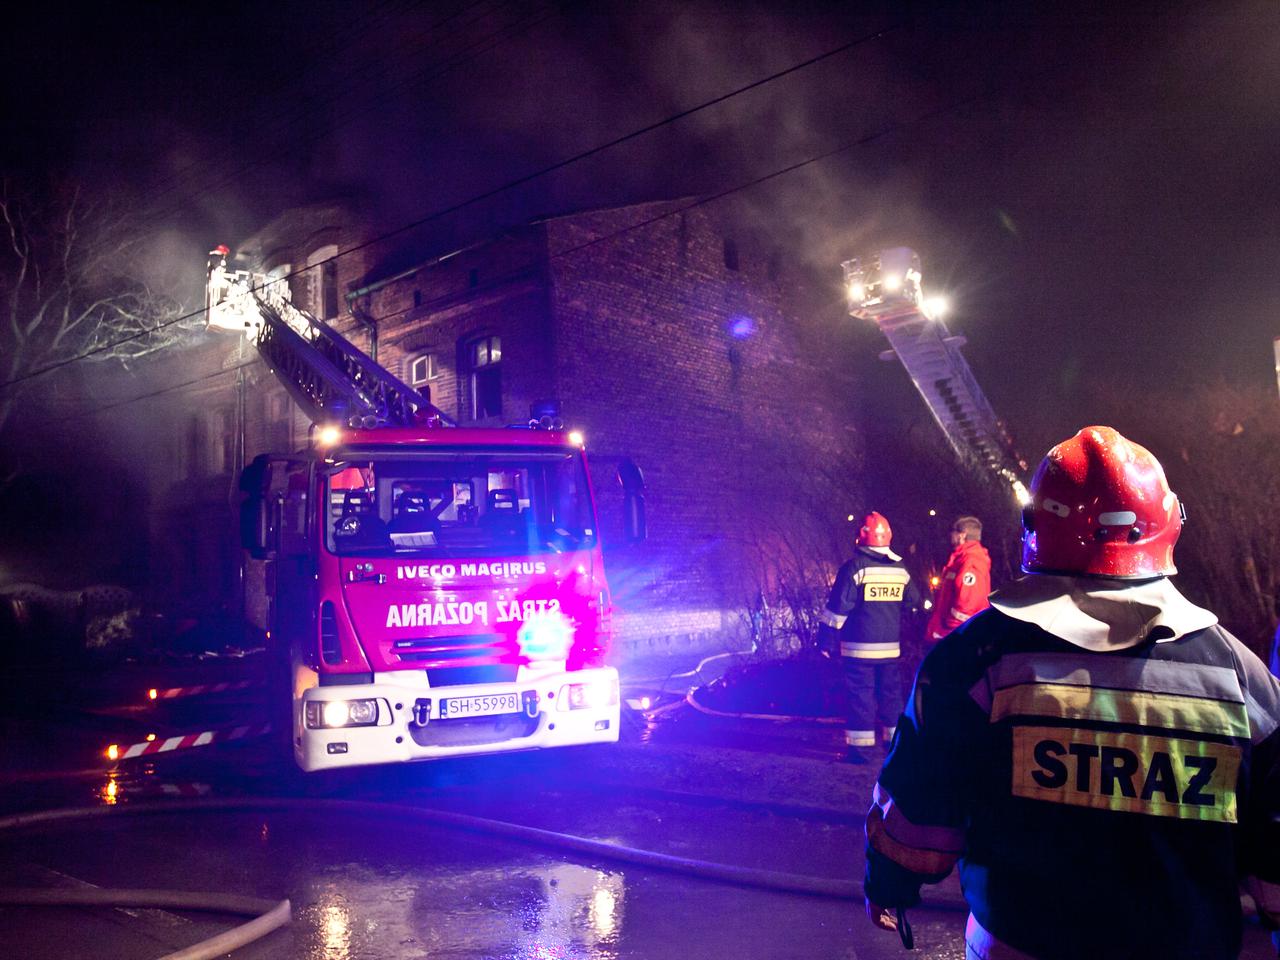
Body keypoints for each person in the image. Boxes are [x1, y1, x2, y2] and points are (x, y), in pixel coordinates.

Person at [862, 426, 1280, 960]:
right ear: (1169, 524)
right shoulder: (1240, 678)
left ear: (1036, 528)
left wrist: (888, 886)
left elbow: (919, 814)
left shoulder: (971, 663)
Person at [818, 511, 920, 764]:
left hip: (858, 650)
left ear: (860, 538)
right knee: (891, 698)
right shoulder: (900, 569)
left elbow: (838, 610)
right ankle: (895, 747)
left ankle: (861, 752)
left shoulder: (854, 568)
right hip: (889, 650)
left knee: (860, 698)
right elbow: (914, 602)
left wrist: (826, 641)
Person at [923, 514, 991, 643]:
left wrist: (952, 631)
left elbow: (967, 603)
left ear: (962, 535)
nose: (950, 535)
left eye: (953, 532)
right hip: (955, 634)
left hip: (959, 635)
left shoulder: (971, 560)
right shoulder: (962, 559)